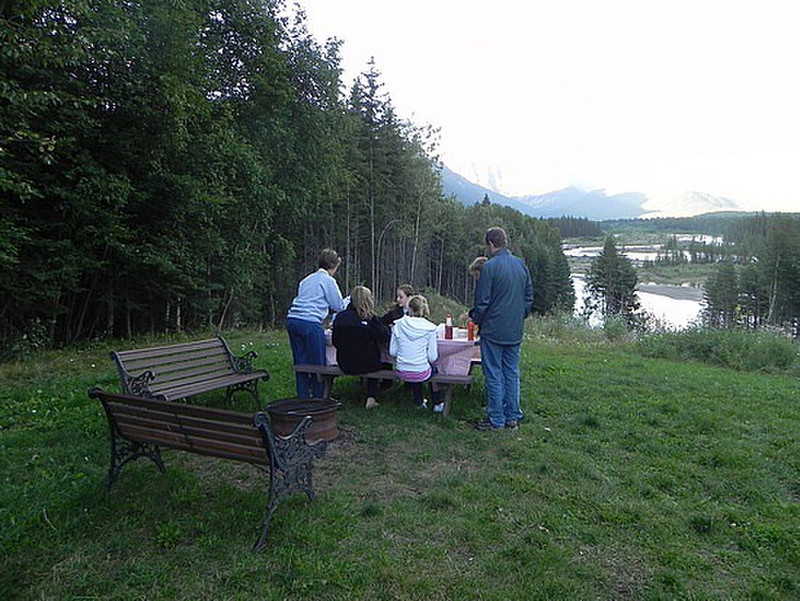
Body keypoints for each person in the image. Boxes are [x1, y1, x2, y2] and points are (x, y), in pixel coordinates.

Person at [469, 227, 534, 431]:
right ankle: (512, 417)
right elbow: (528, 298)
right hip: (515, 330)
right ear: (505, 241)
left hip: (493, 331)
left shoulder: (490, 267)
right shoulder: (521, 265)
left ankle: (496, 419)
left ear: (490, 244)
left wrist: (476, 319)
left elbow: (482, 302)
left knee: (494, 374)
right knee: (511, 373)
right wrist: (518, 317)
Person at [286, 248, 346, 398]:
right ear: (333, 266)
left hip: (293, 320)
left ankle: (303, 397)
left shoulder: (306, 280)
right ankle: (318, 399)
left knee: (301, 363)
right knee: (317, 365)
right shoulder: (328, 281)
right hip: (310, 323)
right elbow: (338, 305)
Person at [332, 286, 391, 409]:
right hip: (368, 364)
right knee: (382, 362)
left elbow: (335, 341)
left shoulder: (340, 317)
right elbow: (383, 337)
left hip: (344, 363)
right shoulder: (370, 318)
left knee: (367, 355)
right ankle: (372, 396)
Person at [389, 295, 444, 412]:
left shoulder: (397, 324)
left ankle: (418, 402)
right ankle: (437, 402)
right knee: (429, 368)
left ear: (409, 308)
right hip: (420, 371)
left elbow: (392, 352)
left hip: (401, 370)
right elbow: (432, 357)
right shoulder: (430, 328)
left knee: (417, 365)